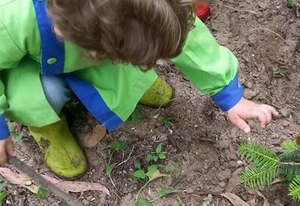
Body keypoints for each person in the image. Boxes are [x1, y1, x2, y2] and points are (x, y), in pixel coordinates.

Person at [0, 0, 278, 179]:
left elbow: (183, 34)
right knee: (45, 96)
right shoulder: (13, 17)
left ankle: (128, 80)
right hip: (27, 64)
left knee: (135, 52)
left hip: (87, 41)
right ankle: (47, 126)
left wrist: (229, 93)